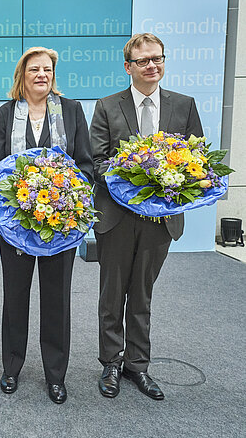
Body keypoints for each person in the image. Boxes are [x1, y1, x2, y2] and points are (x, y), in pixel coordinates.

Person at [90, 33, 203, 401]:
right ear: (128, 67)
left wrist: (169, 180)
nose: (153, 66)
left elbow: (196, 162)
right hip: (118, 218)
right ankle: (110, 362)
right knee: (112, 295)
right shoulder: (107, 106)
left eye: (158, 59)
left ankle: (137, 365)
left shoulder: (184, 105)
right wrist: (137, 173)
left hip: (161, 221)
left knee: (142, 295)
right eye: (144, 61)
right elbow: (97, 162)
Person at [0, 47, 93, 404]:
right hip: (16, 226)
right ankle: (12, 367)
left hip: (60, 226)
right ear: (22, 75)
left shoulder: (72, 111)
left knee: (57, 299)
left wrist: (66, 199)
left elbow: (85, 165)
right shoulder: (4, 115)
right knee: (15, 297)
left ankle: (55, 375)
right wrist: (19, 203)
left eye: (47, 69)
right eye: (34, 69)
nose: (41, 75)